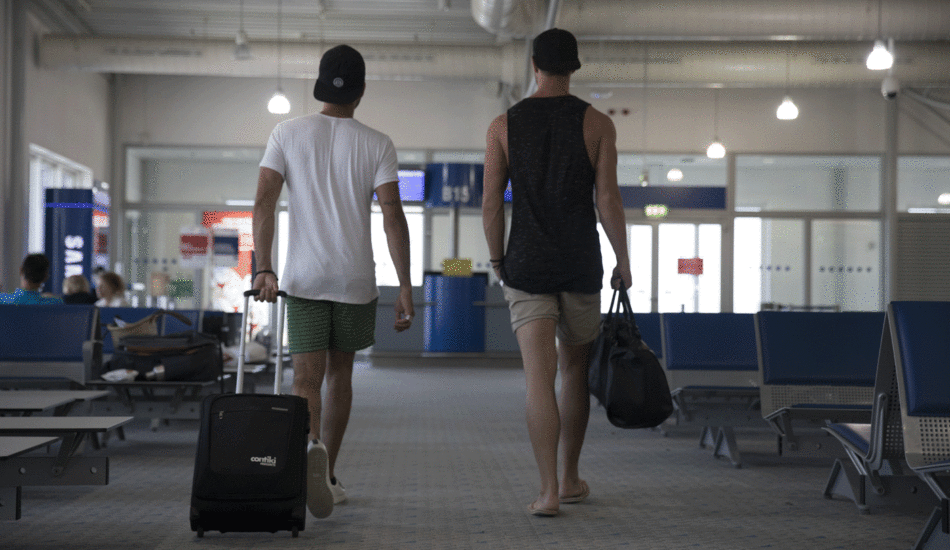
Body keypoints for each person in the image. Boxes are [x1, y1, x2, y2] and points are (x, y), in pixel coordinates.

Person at [252, 44, 414, 520]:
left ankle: (308, 455)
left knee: (305, 378)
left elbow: (263, 202)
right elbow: (392, 217)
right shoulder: (378, 142)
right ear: (361, 92)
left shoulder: (287, 132)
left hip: (303, 278)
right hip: (355, 279)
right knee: (341, 375)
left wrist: (264, 267)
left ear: (320, 85)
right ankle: (328, 474)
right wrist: (404, 285)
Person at [482, 28, 632, 517]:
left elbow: (490, 206)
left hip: (526, 265)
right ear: (574, 68)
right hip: (581, 264)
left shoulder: (502, 125)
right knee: (573, 372)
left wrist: (497, 260)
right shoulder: (599, 125)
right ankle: (570, 479)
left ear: (534, 66)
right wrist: (622, 260)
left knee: (537, 380)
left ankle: (547, 492)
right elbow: (607, 200)